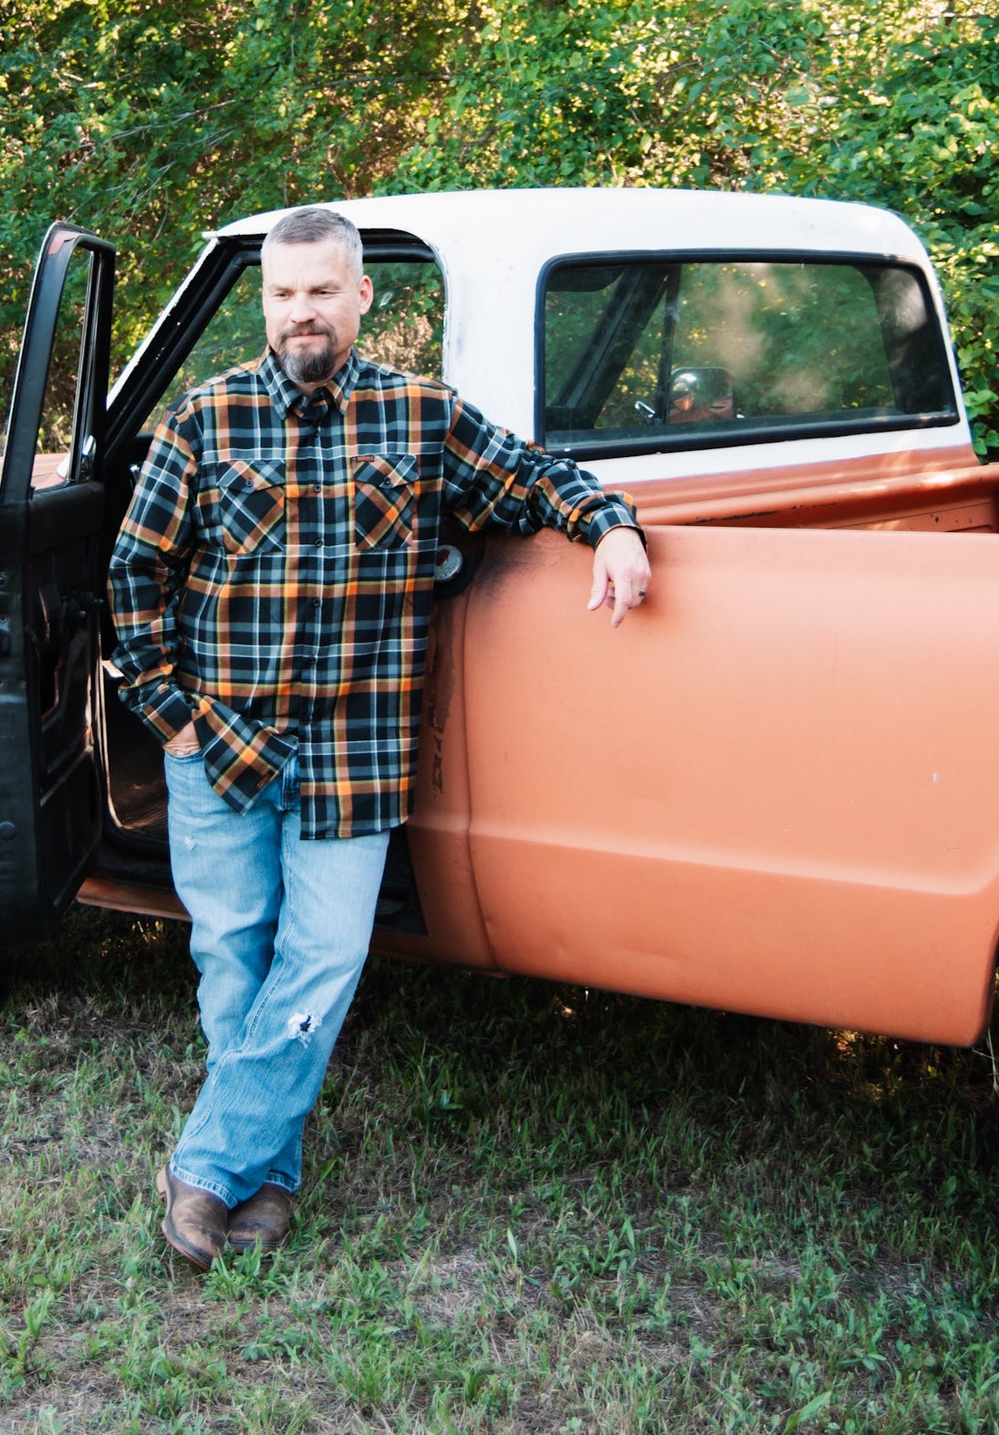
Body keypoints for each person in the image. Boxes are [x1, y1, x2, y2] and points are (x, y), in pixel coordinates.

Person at [107, 207, 650, 1269]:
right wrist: (173, 722)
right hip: (217, 747)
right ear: (263, 303)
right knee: (231, 956)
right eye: (280, 294)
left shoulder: (421, 419)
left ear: (360, 296)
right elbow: (133, 578)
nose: (298, 312)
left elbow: (532, 475)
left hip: (354, 757)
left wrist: (610, 524)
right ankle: (268, 1175)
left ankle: (206, 1168)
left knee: (325, 958)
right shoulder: (202, 421)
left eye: (318, 291)